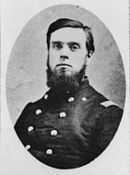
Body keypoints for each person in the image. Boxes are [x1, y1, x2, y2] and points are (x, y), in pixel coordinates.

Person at [14, 18, 123, 169]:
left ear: (89, 56)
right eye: (57, 46)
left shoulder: (108, 115)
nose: (63, 54)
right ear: (49, 53)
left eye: (74, 47)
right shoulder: (29, 111)